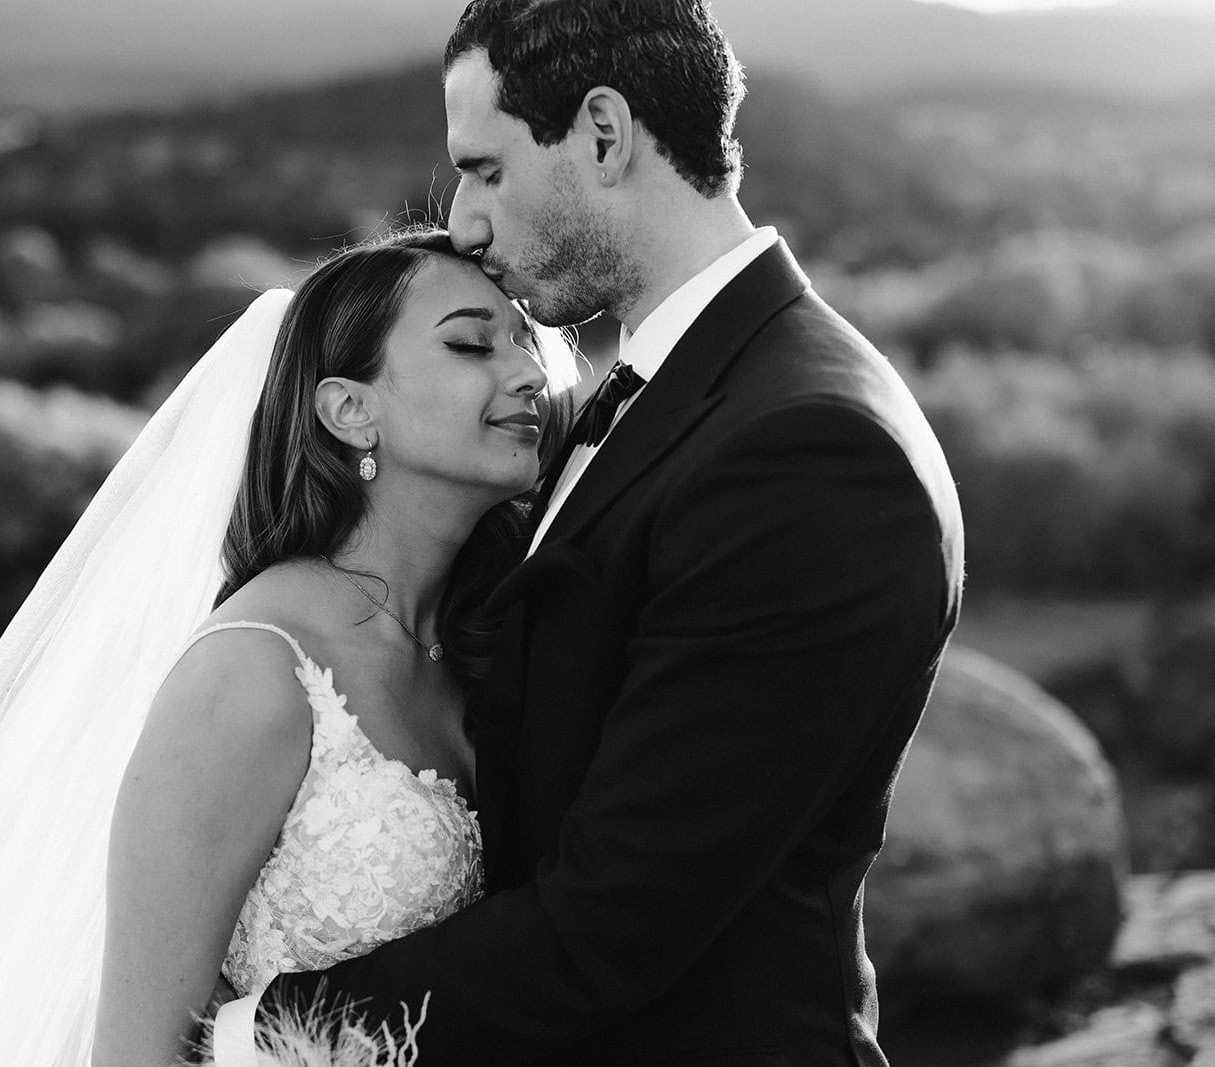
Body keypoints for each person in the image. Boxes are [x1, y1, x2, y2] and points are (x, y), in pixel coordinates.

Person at [216, 1, 965, 1064]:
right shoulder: (675, 395)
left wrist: (253, 1032)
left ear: (604, 135)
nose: (465, 222)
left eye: (486, 169)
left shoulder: (804, 451)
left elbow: (609, 927)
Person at [0, 229, 576, 1065]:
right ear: (350, 410)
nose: (530, 373)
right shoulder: (253, 672)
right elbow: (135, 1052)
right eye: (472, 343)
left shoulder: (488, 639)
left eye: (524, 342)